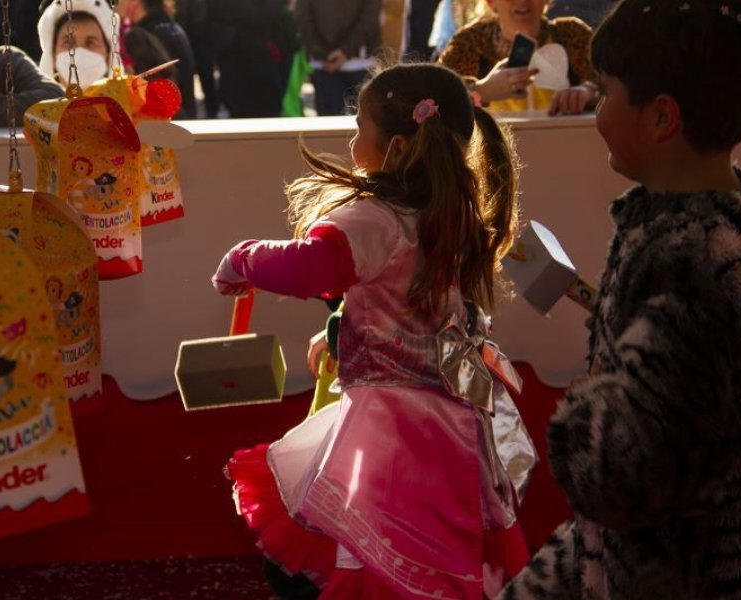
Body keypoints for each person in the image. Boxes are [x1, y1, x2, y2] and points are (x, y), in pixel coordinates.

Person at [214, 62, 532, 599]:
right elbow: (410, 305)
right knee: (434, 552)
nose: (352, 138)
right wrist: (342, 327)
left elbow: (310, 267)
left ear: (400, 147)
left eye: (360, 128)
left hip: (393, 431)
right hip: (451, 423)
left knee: (371, 553)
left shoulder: (376, 218)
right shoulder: (449, 213)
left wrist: (242, 260)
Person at [500, 0, 741, 598]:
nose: (598, 111)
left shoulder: (685, 259)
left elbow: (623, 476)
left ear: (662, 117)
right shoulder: (709, 229)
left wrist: (579, 416)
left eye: (606, 92)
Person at [438, 0, 597, 115]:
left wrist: (588, 91)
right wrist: (481, 91)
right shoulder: (469, 43)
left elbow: (614, 86)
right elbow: (431, 100)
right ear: (491, 3)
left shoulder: (573, 35)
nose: (522, 1)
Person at [294, 0, 381, 116]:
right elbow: (371, 15)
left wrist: (325, 52)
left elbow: (302, 15)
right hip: (350, 62)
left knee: (333, 125)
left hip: (353, 63)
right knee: (360, 123)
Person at [116, 0, 197, 119]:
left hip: (163, 124)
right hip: (185, 119)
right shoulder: (172, 26)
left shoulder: (139, 36)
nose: (117, 4)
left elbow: (147, 93)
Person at [37, 0, 114, 90]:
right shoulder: (32, 102)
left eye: (90, 43)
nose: (80, 53)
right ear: (53, 55)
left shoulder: (128, 102)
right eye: (68, 43)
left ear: (108, 54)